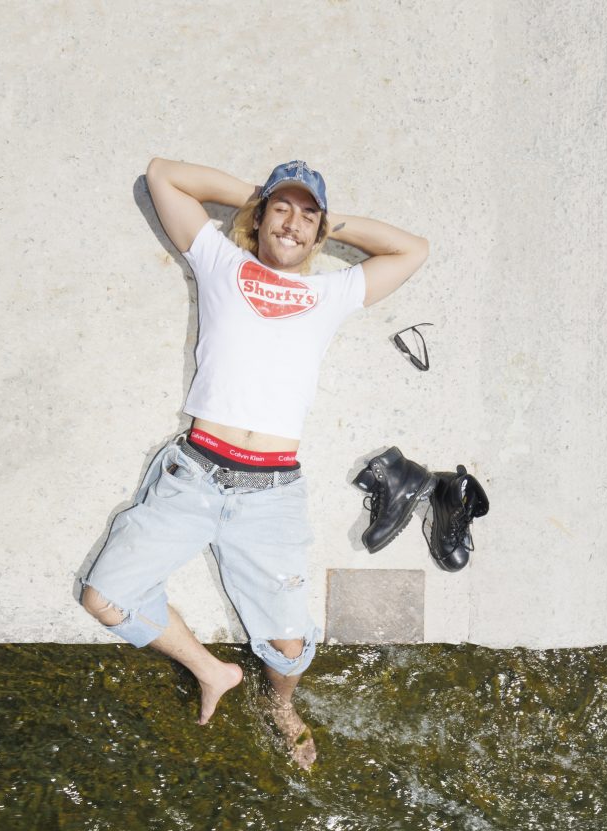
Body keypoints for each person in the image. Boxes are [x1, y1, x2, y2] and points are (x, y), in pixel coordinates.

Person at [80, 158, 429, 768]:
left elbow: (412, 249)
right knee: (104, 598)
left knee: (289, 648)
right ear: (259, 218)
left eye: (307, 215)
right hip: (195, 472)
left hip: (271, 491)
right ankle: (212, 671)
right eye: (281, 211)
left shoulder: (330, 292)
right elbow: (163, 175)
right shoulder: (222, 262)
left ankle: (281, 704)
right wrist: (259, 199)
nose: (292, 223)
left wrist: (322, 224)